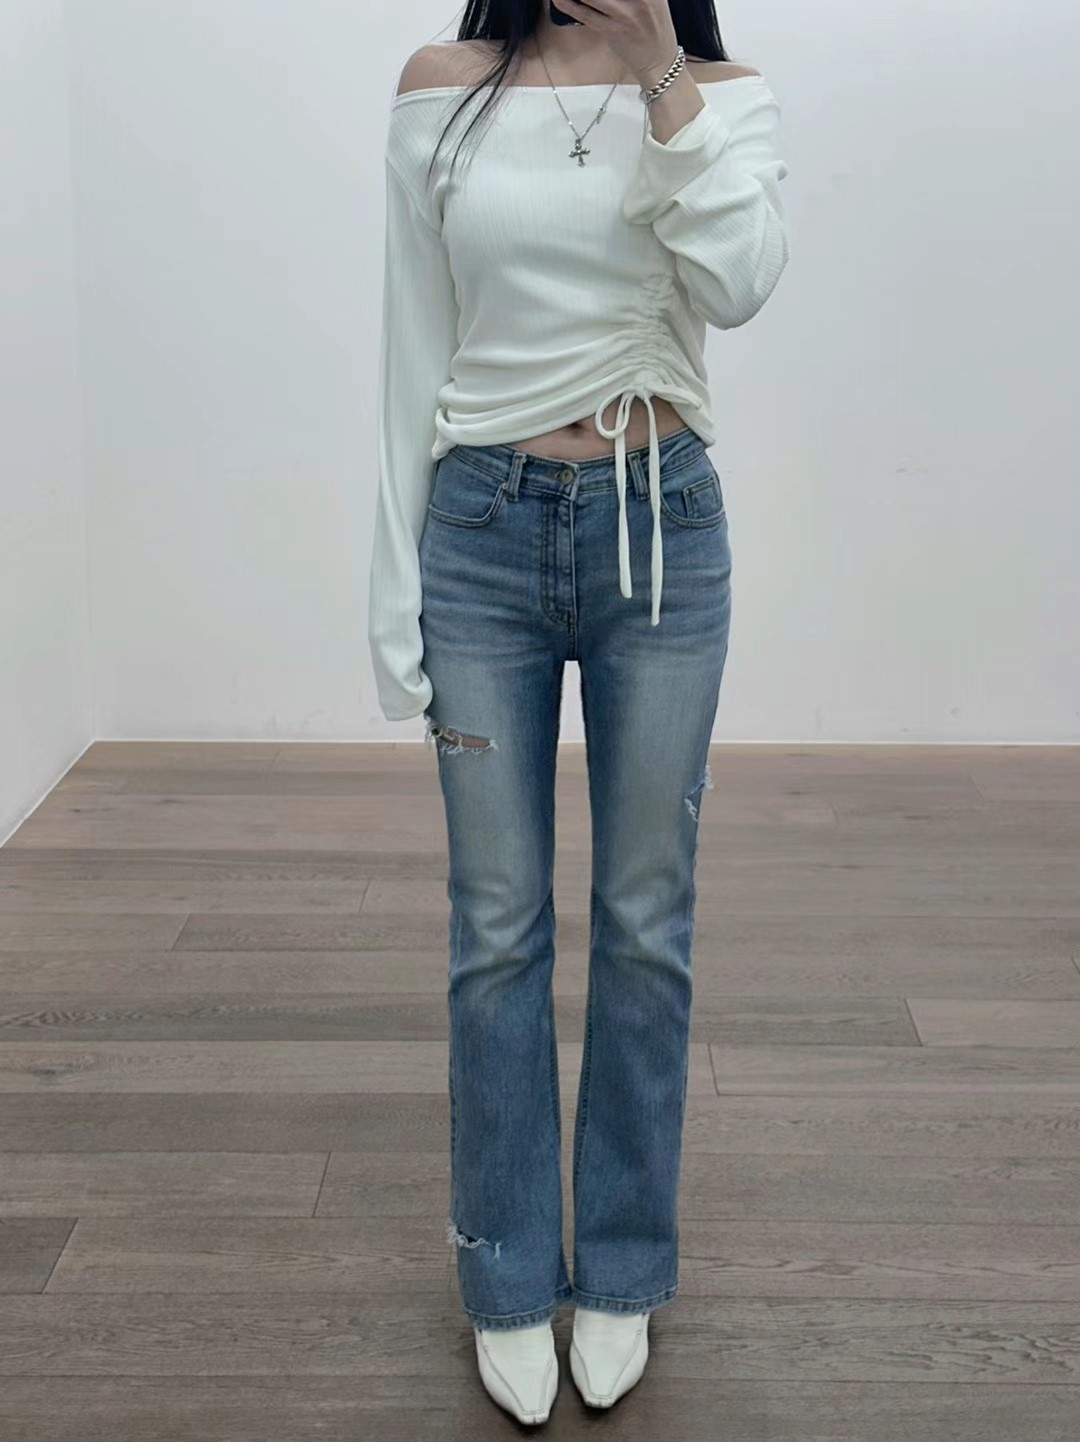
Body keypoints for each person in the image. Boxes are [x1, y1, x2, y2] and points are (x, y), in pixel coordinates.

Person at [368, 0, 789, 1423]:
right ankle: (505, 1277)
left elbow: (740, 280)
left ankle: (619, 1268)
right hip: (480, 535)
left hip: (660, 529)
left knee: (645, 918)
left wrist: (664, 73)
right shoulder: (442, 87)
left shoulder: (720, 90)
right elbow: (410, 350)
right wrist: (390, 595)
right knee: (495, 923)